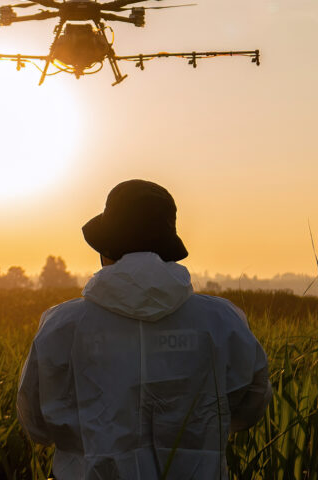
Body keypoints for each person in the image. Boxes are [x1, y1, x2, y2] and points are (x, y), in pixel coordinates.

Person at [17, 179, 272, 479]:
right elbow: (250, 407)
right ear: (169, 250)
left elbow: (35, 423)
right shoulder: (223, 322)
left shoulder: (62, 327)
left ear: (107, 249)